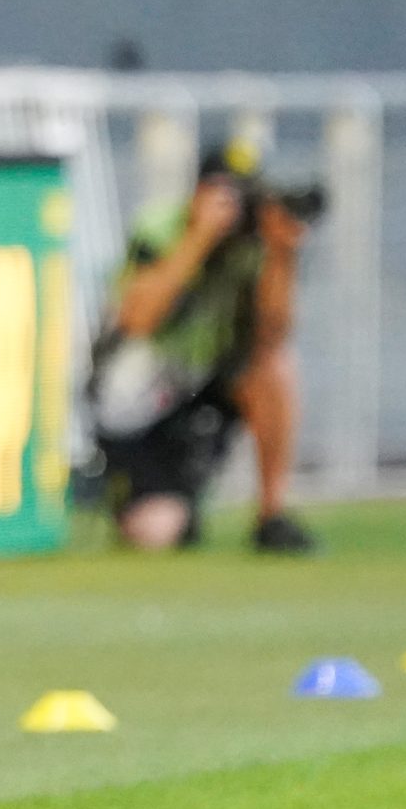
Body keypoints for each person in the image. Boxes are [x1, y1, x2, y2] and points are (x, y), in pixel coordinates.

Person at [89, 142, 320, 554]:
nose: (235, 209)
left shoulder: (256, 244)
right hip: (138, 396)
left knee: (275, 366)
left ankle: (271, 514)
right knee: (157, 532)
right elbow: (137, 319)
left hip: (201, 386)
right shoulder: (162, 226)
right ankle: (138, 494)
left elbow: (273, 334)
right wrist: (199, 237)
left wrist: (282, 256)